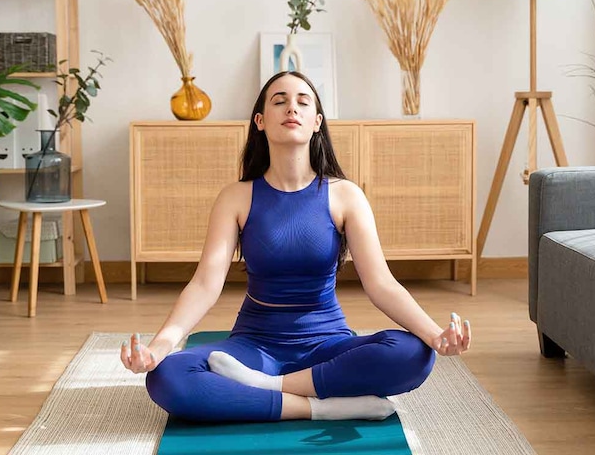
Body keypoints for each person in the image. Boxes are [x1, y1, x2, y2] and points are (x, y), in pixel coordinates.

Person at [120, 71, 472, 422]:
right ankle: (319, 407)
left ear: (317, 122)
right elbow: (204, 285)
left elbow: (381, 284)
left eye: (303, 102)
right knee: (167, 377)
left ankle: (268, 387)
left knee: (414, 353)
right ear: (260, 121)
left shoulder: (345, 195)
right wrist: (159, 347)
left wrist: (434, 335)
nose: (292, 108)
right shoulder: (236, 197)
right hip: (254, 345)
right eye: (280, 101)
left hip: (327, 345)